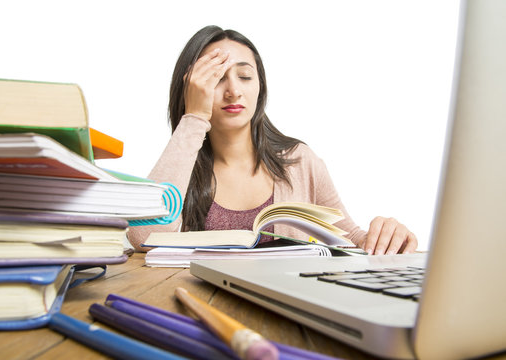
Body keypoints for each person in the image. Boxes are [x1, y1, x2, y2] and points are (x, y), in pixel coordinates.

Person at [128, 25, 418, 255]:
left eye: (244, 76)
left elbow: (349, 240)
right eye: (216, 78)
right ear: (193, 89)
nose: (233, 91)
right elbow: (144, 239)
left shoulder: (300, 161)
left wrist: (385, 237)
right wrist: (193, 118)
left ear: (260, 88)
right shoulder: (182, 166)